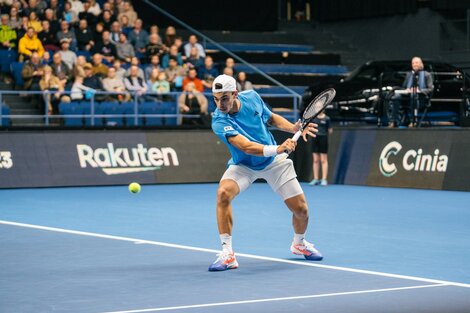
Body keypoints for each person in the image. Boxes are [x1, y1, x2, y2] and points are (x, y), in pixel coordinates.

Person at [208, 74, 322, 271]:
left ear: (235, 94)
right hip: (244, 165)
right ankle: (227, 254)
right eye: (216, 99)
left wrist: (293, 128)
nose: (220, 104)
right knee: (223, 194)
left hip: (273, 163)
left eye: (224, 98)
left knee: (301, 211)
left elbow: (271, 118)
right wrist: (278, 148)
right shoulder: (219, 120)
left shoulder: (251, 97)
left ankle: (299, 243)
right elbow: (245, 146)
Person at [389, 57, 434, 127]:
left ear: (420, 64)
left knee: (413, 95)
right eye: (413, 63)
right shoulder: (409, 74)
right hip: (407, 96)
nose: (414, 64)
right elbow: (404, 87)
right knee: (396, 97)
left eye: (416, 63)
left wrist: (419, 90)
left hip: (421, 97)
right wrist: (406, 90)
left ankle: (413, 121)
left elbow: (430, 89)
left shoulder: (427, 75)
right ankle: (393, 121)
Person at [308, 112, 332, 186]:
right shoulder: (313, 118)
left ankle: (324, 179)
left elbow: (330, 130)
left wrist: (323, 132)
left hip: (323, 139)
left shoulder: (327, 119)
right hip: (314, 139)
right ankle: (315, 178)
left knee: (323, 160)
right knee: (315, 160)